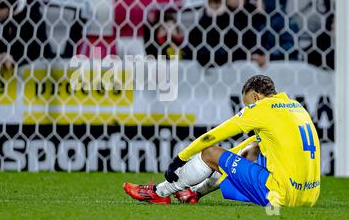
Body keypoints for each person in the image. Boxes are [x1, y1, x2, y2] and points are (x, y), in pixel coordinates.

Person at [124, 75, 321, 207]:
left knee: (210, 153)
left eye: (247, 104)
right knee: (254, 147)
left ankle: (161, 192)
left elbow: (213, 136)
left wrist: (180, 158)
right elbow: (249, 145)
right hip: (309, 196)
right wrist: (227, 162)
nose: (246, 109)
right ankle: (193, 193)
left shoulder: (261, 108)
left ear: (255, 96)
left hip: (281, 195)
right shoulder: (295, 106)